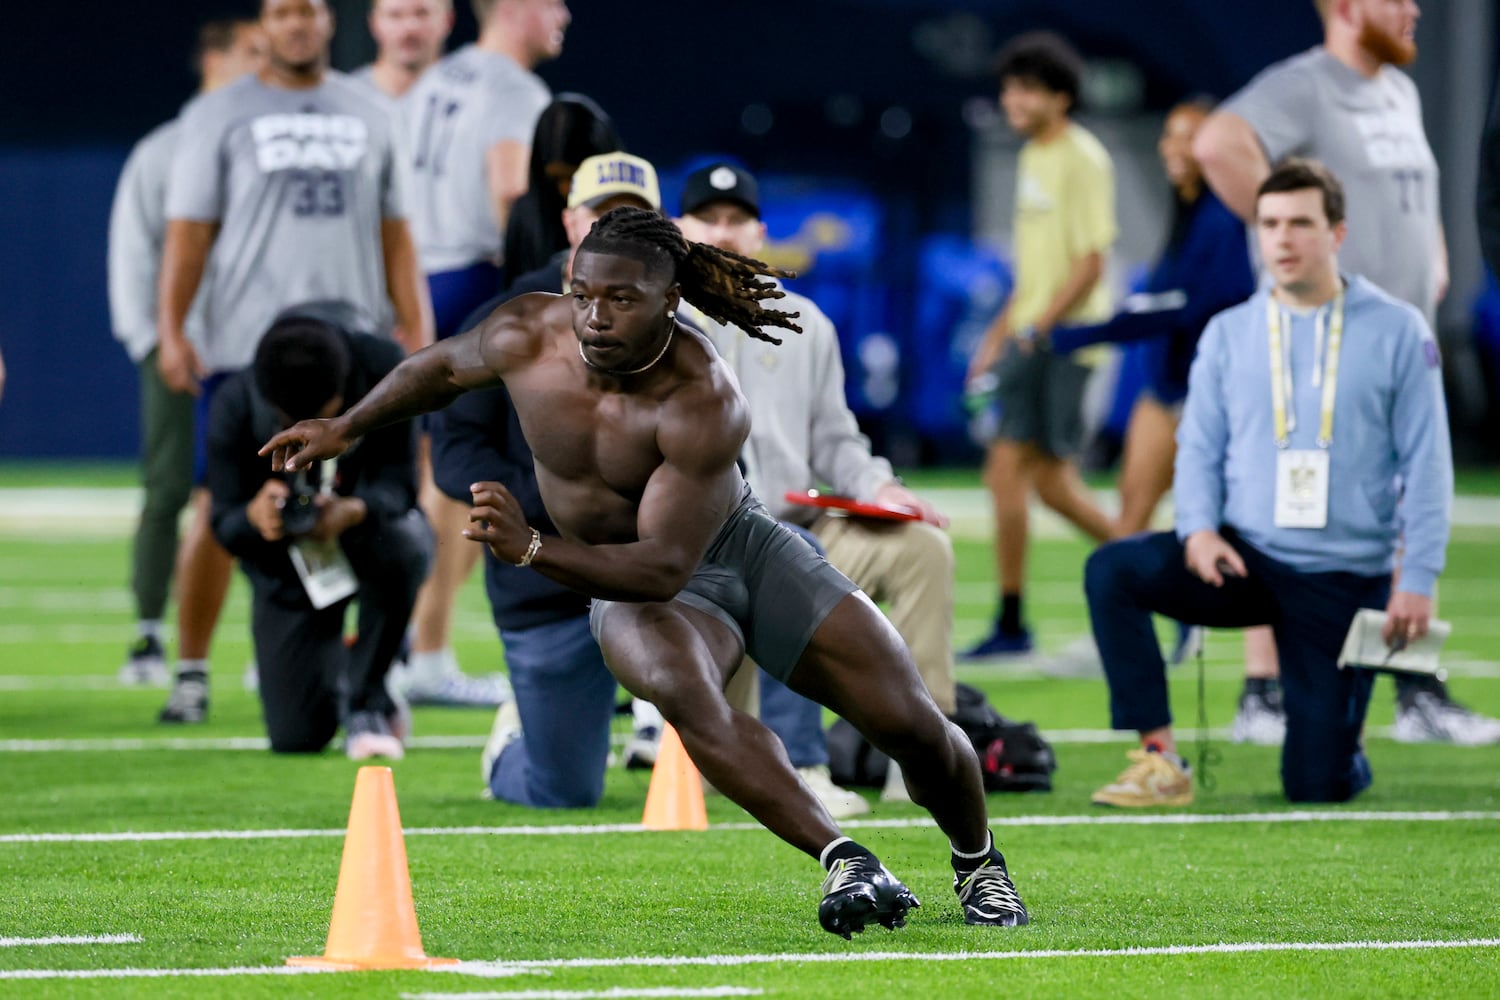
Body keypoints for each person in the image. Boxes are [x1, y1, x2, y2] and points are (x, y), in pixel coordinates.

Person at [262, 206, 1030, 933]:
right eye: (583, 294)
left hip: (736, 552)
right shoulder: (530, 330)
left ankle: (979, 863)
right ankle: (846, 860)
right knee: (682, 690)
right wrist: (347, 425)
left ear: (670, 302)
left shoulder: (703, 394)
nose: (594, 317)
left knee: (914, 724)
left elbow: (664, 565)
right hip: (623, 579)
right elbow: (441, 368)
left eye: (621, 300)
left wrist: (531, 548)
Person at [1086, 159, 1452, 807]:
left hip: (1342, 577)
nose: (1282, 239)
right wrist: (1197, 529)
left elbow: (1427, 463)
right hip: (1244, 556)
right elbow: (1198, 446)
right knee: (1113, 569)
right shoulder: (1229, 332)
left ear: (1337, 233)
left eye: (1301, 224)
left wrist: (1417, 578)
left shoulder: (1399, 329)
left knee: (1317, 787)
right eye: (1270, 224)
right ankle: (1158, 758)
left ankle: (1340, 744)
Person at [1194, 0, 1497, 746]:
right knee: (1280, 511)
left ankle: (1409, 688)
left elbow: (1411, 198)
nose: (1414, 8)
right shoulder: (1305, 83)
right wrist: (1296, 248)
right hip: (1320, 343)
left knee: (1396, 509)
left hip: (1396, 345)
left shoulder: (1396, 89)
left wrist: (1432, 260)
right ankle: (1264, 694)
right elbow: (1217, 143)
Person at [154, 0, 433, 724]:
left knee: (378, 505)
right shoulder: (219, 114)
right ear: (264, 23)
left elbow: (395, 230)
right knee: (222, 506)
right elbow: (189, 233)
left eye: (310, 10)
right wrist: (171, 326)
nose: (299, 24)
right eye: (284, 11)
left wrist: (416, 326)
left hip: (354, 352)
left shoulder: (369, 110)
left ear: (327, 21)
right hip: (249, 350)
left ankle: (376, 664)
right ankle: (192, 668)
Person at [674, 161, 958, 815]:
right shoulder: (661, 321)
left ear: (759, 232)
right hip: (699, 555)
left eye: (736, 220)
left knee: (920, 549)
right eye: (708, 220)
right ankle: (800, 762)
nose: (723, 232)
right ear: (683, 231)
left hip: (794, 529)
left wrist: (880, 486)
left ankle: (930, 756)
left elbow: (837, 441)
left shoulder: (804, 321)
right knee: (791, 567)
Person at [453, 151, 659, 807]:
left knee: (774, 580)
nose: (613, 232)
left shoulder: (687, 328)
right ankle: (516, 747)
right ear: (570, 221)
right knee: (562, 791)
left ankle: (799, 761)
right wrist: (533, 504)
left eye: (632, 220)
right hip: (545, 581)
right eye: (602, 216)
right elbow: (456, 445)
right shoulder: (508, 319)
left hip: (655, 577)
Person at [396, 0, 570, 707]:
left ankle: (400, 646)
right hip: (475, 275)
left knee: (416, 475)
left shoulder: (437, 78)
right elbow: (508, 188)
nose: (562, 13)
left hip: (419, 275)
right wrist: (530, 289)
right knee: (456, 481)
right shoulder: (513, 89)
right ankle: (425, 651)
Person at [108, 18, 267, 686]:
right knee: (170, 486)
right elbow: (134, 253)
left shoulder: (264, 148)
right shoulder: (165, 149)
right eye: (251, 53)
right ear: (213, 59)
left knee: (267, 486)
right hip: (183, 350)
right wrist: (154, 339)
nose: (265, 68)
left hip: (252, 349)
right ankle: (149, 634)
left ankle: (274, 643)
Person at [210, 311, 430, 759]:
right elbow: (223, 523)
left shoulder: (384, 373)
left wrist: (356, 509)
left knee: (407, 543)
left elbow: (402, 485)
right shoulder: (236, 402)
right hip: (287, 563)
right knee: (297, 736)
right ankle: (347, 668)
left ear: (346, 391)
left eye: (320, 423)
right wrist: (255, 518)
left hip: (368, 534)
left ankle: (368, 694)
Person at [963, 32, 1118, 659]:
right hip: (1034, 336)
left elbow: (1091, 264)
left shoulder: (1085, 157)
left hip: (1066, 341)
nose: (1011, 101)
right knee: (1034, 482)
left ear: (1060, 96)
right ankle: (1158, 575)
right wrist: (997, 336)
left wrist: (1034, 330)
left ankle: (1013, 622)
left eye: (1025, 89)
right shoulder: (1032, 159)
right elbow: (1034, 275)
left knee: (1024, 479)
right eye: (1007, 89)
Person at [501, 94, 623, 285]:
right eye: (557, 178)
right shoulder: (525, 216)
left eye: (576, 176)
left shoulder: (640, 206)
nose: (567, 190)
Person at [353, 0, 454, 99]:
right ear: (373, 23)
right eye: (395, 15)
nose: (409, 28)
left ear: (448, 21)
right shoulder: (349, 98)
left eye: (422, 13)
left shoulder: (467, 100)